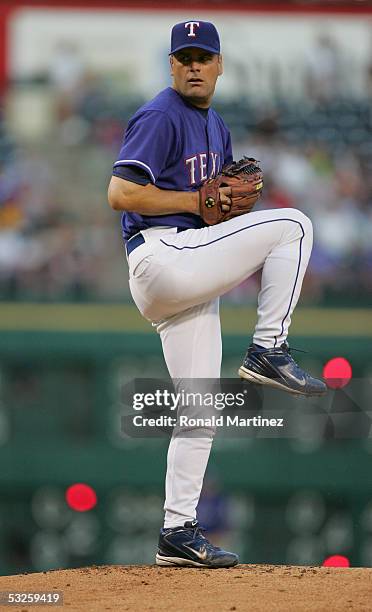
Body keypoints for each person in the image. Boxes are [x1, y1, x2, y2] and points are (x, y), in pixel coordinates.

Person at [108, 20, 326, 568]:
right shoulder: (162, 114)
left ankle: (176, 532)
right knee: (295, 225)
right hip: (161, 256)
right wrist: (193, 200)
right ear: (172, 66)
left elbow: (213, 212)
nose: (196, 65)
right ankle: (268, 348)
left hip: (185, 268)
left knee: (200, 405)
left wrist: (218, 213)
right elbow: (121, 192)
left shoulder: (219, 127)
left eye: (205, 57)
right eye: (185, 58)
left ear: (221, 66)